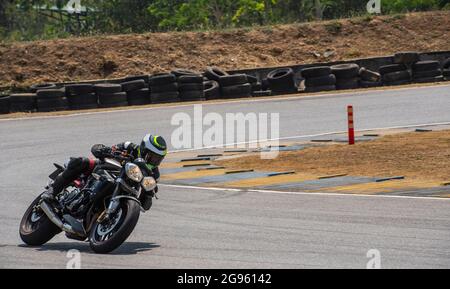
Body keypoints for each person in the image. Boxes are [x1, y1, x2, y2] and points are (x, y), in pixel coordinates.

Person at [42, 134, 167, 203]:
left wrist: (149, 193)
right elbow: (104, 148)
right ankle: (53, 190)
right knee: (82, 161)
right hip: (105, 169)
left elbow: (145, 205)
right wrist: (105, 150)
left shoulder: (154, 174)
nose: (154, 161)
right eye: (152, 157)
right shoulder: (130, 147)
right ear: (144, 149)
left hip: (123, 189)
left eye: (158, 159)